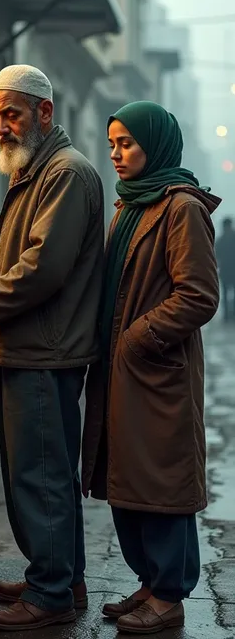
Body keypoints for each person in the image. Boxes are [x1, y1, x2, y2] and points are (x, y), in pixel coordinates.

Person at [0, 64, 104, 631]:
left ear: (44, 113)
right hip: (32, 348)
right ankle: (59, 577)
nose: (2, 127)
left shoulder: (65, 173)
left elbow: (43, 270)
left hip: (43, 351)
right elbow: (34, 254)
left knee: (42, 475)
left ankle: (51, 594)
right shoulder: (36, 168)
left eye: (12, 114)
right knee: (40, 471)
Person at [82, 101, 220, 636]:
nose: (116, 154)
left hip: (156, 370)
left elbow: (199, 295)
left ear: (155, 145)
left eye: (127, 144)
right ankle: (149, 581)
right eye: (112, 143)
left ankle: (169, 595)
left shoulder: (180, 207)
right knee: (126, 479)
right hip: (123, 370)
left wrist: (140, 336)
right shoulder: (132, 204)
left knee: (163, 484)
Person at [215, 217, 235, 321]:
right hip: (229, 271)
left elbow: (216, 256)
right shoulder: (222, 240)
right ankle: (228, 315)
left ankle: (228, 316)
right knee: (227, 293)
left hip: (226, 271)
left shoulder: (220, 240)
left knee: (226, 293)